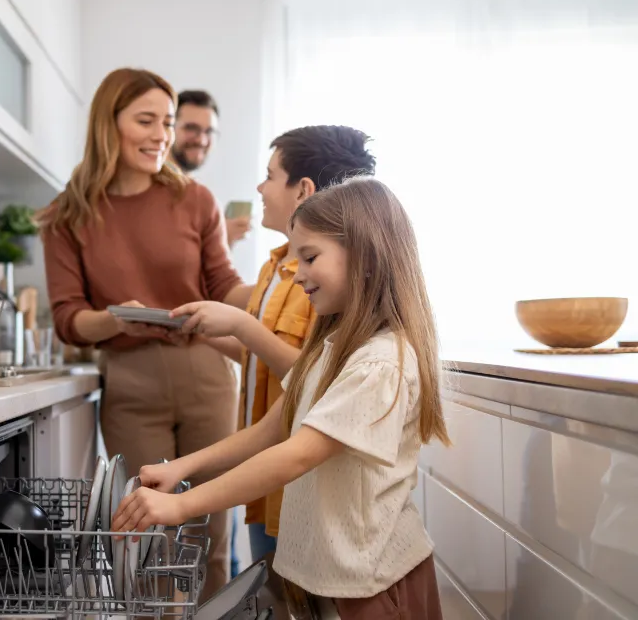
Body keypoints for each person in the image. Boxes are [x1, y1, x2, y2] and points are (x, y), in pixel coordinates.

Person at [113, 177, 450, 619]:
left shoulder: (379, 363)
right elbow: (270, 431)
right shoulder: (328, 350)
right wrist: (179, 468)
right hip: (340, 577)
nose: (300, 272)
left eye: (310, 257)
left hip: (377, 583)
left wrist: (181, 505)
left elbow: (295, 455)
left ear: (366, 256)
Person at [38, 68, 252, 599]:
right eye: (146, 120)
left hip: (206, 375)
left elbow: (224, 285)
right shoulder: (68, 215)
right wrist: (113, 319)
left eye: (168, 121)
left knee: (210, 536)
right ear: (108, 125)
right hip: (130, 386)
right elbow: (68, 317)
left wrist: (286, 287)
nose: (162, 135)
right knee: (149, 541)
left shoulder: (194, 199)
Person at [177, 125, 376, 589]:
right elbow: (266, 363)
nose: (260, 188)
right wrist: (202, 333)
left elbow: (312, 377)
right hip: (265, 471)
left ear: (303, 189)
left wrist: (241, 325)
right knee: (273, 593)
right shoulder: (277, 265)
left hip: (295, 477)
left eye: (269, 176)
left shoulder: (324, 281)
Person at [170, 89, 251, 248]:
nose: (201, 140)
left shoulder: (197, 194)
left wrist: (222, 239)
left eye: (209, 131)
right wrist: (218, 240)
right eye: (191, 128)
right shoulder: (152, 189)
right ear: (169, 128)